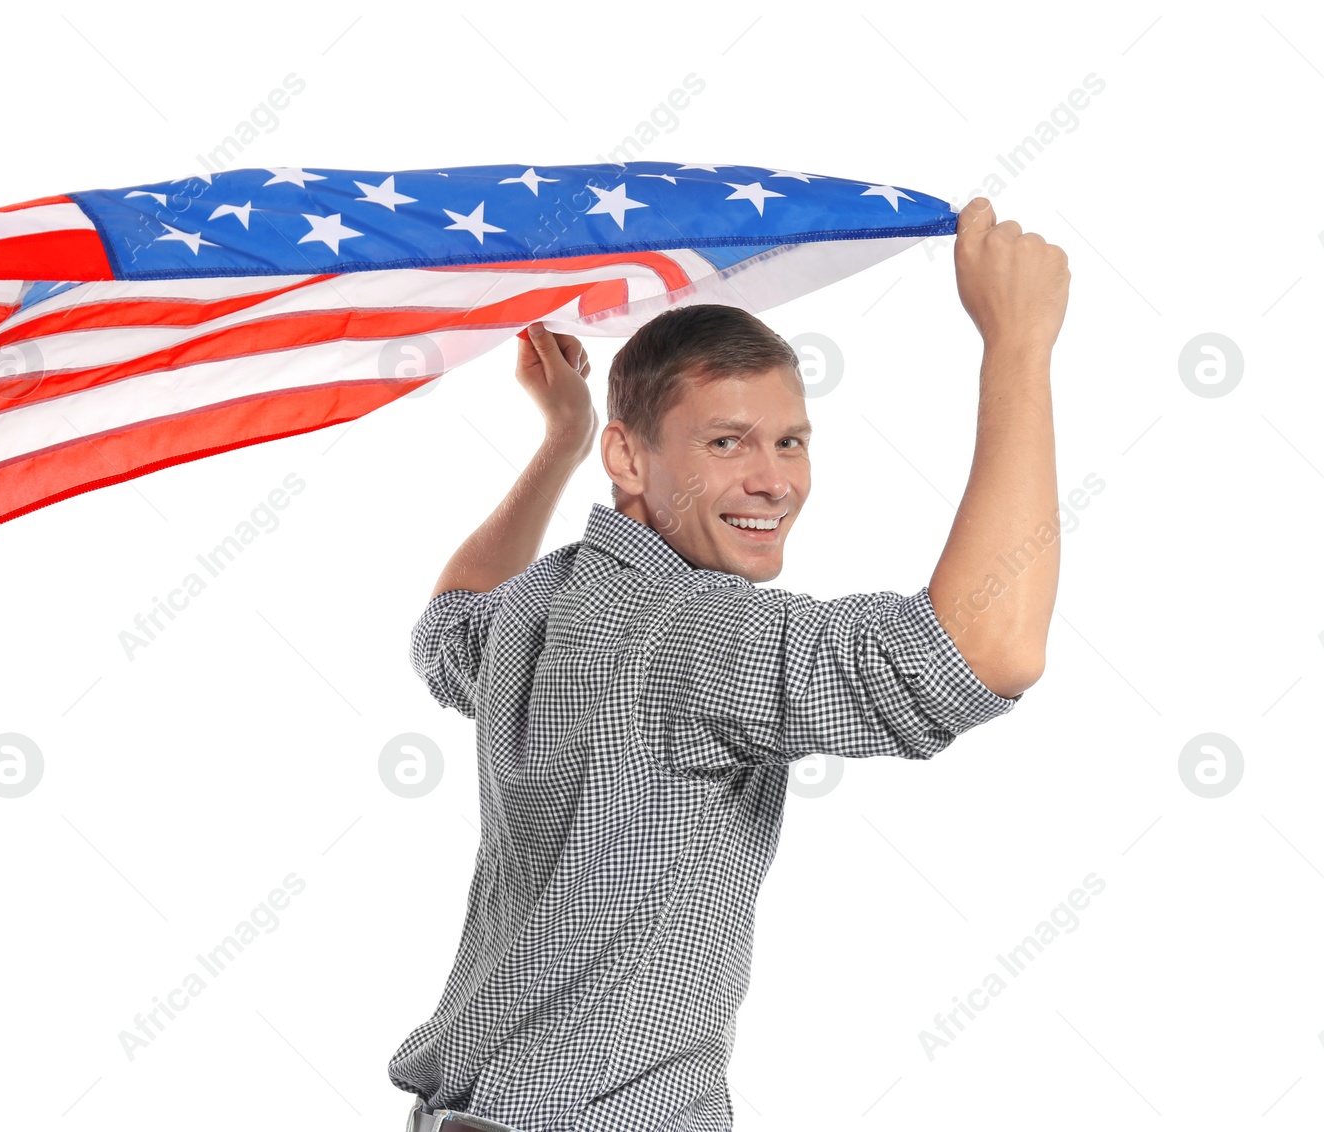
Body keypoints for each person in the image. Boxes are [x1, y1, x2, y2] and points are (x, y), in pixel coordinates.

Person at [389, 197, 1068, 1132]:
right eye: (726, 442)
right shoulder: (698, 637)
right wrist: (1018, 347)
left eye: (790, 440)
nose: (774, 479)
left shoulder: (538, 606)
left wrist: (561, 441)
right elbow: (986, 650)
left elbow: (445, 627)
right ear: (631, 458)